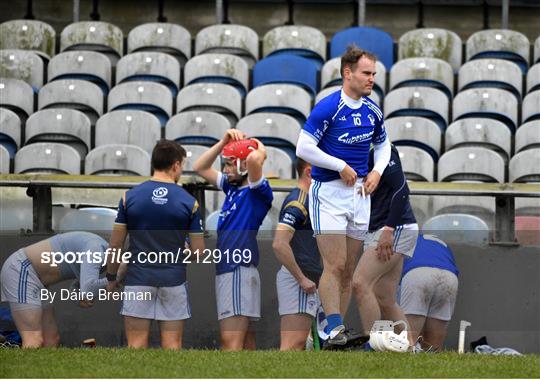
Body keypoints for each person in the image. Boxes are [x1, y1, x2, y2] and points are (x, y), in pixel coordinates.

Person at [295, 46, 391, 344]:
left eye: (374, 74)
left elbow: (384, 146)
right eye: (366, 73)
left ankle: (333, 333)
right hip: (329, 193)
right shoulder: (328, 107)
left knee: (348, 270)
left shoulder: (372, 110)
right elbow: (303, 148)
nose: (371, 79)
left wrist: (376, 171)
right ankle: (332, 327)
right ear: (347, 73)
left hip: (360, 193)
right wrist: (340, 166)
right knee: (334, 265)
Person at [105, 139, 205, 349]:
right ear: (176, 165)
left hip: (138, 279)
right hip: (173, 280)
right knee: (172, 346)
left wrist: (112, 277)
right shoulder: (189, 202)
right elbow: (199, 252)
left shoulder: (129, 197)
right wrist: (182, 251)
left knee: (136, 346)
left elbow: (115, 246)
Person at [193, 129, 273, 351]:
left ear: (244, 165)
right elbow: (199, 167)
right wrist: (223, 142)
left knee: (231, 342)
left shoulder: (257, 191)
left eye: (230, 163)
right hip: (232, 270)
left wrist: (259, 147)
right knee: (245, 341)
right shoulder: (233, 188)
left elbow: (256, 160)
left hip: (237, 269)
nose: (225, 169)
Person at [352, 144, 418, 345]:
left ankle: (374, 344)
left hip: (394, 228)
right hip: (379, 228)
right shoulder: (348, 153)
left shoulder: (382, 150)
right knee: (385, 297)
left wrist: (388, 229)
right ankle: (410, 347)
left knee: (361, 282)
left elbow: (402, 190)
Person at [0, 231, 110, 348]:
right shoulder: (97, 249)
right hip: (21, 269)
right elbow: (88, 289)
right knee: (33, 339)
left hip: (38, 280)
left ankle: (43, 367)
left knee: (51, 340)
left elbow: (76, 287)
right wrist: (117, 278)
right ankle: (23, 366)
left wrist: (80, 298)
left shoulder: (104, 259)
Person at [272, 158, 322, 350]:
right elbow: (279, 244)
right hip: (299, 279)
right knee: (293, 345)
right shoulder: (299, 201)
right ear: (309, 172)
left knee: (299, 345)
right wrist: (301, 279)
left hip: (305, 278)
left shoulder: (309, 200)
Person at [399, 233, 459, 351]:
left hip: (417, 274)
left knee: (407, 343)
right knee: (433, 348)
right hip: (449, 277)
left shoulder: (404, 239)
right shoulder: (440, 241)